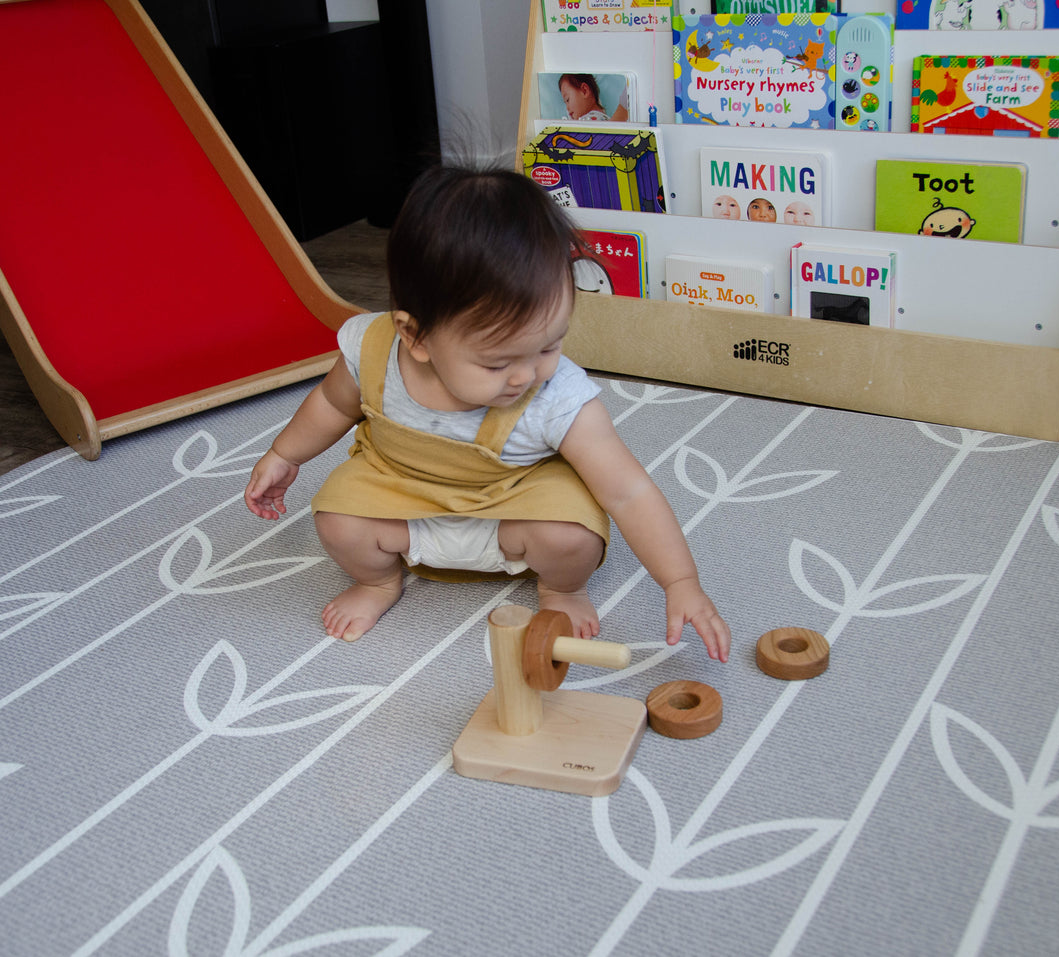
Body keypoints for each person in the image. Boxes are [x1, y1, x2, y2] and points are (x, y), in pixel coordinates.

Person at [244, 166, 731, 662]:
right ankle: (378, 581)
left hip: (516, 503)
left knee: (574, 538)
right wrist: (285, 454)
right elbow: (331, 404)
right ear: (415, 337)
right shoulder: (371, 350)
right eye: (497, 362)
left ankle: (560, 591)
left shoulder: (557, 395)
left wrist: (680, 580)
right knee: (336, 520)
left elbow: (628, 492)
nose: (526, 376)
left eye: (550, 345)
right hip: (401, 491)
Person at [558, 73, 627, 122]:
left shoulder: (593, 119)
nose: (567, 108)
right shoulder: (597, 117)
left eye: (567, 100)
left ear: (584, 91)